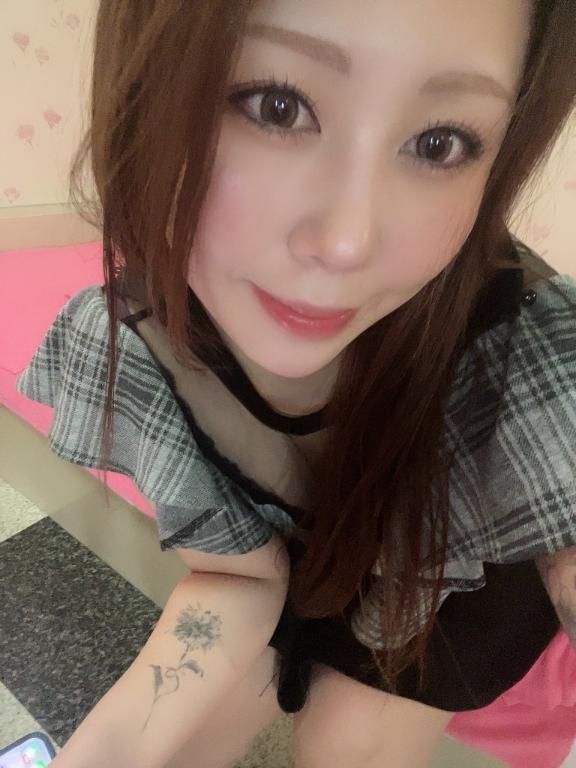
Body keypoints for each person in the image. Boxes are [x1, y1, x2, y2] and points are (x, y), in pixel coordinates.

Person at [15, 1, 576, 766]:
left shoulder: (523, 350)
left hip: (454, 598)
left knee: (342, 747)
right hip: (305, 564)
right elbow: (241, 580)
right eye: (276, 106)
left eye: (439, 143)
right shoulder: (149, 340)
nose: (346, 242)